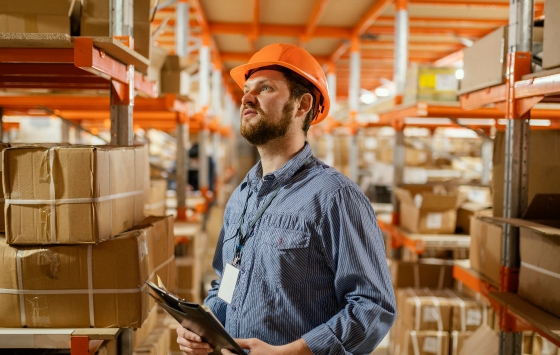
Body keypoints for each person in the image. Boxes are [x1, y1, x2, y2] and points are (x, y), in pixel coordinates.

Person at [176, 43, 396, 355]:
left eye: (265, 88)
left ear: (302, 104)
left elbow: (374, 307)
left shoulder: (334, 197)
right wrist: (207, 326)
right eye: (248, 88)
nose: (247, 97)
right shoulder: (242, 196)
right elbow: (228, 279)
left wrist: (294, 352)